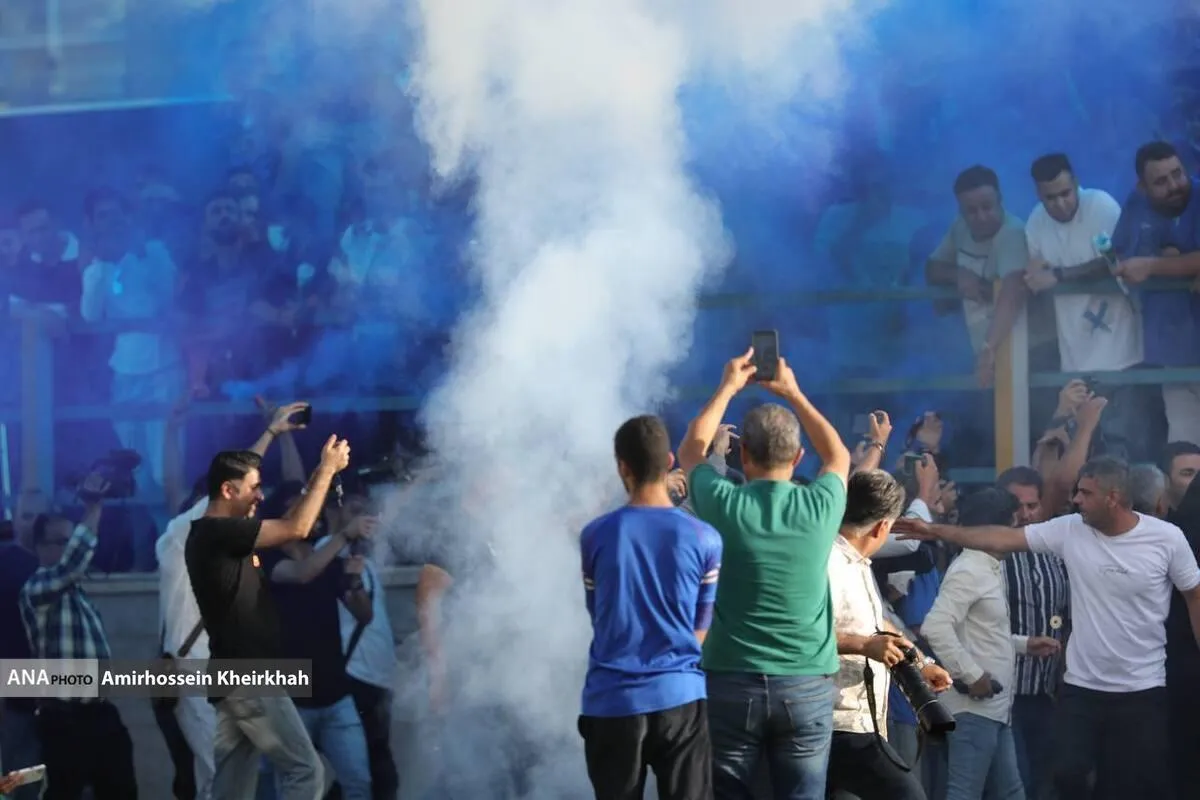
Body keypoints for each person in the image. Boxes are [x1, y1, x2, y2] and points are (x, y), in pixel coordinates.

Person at [894, 456, 1200, 800]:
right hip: (1080, 689)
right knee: (1065, 775)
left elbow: (1194, 594)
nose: (1076, 500)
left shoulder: (1166, 538)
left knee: (1127, 784)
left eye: (1086, 493)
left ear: (1112, 497)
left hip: (1142, 689)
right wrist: (933, 529)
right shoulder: (1070, 529)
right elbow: (1001, 538)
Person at [678, 348, 852, 800]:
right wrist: (793, 392)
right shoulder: (820, 504)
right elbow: (837, 455)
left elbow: (691, 451)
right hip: (806, 682)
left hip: (730, 679)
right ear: (798, 457)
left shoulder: (723, 501)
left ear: (743, 455)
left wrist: (727, 387)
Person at [185, 436, 351, 800]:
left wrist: (314, 479)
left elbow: (290, 521)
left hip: (234, 675)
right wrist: (327, 470)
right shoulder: (217, 532)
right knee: (307, 771)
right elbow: (297, 529)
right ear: (228, 490)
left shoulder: (221, 534)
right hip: (249, 673)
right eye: (254, 488)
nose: (261, 496)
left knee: (231, 790)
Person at [578, 414, 723, 800]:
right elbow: (701, 625)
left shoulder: (595, 535)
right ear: (670, 461)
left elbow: (599, 615)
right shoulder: (705, 537)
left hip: (612, 700)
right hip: (680, 696)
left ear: (622, 467)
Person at [922, 488, 1061, 800]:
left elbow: (978, 633)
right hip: (972, 710)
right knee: (965, 793)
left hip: (995, 709)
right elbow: (936, 627)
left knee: (1010, 792)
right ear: (995, 530)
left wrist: (1024, 644)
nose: (1016, 536)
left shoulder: (987, 566)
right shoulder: (969, 569)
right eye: (1012, 527)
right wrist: (972, 676)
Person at [826, 469, 952, 800]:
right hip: (837, 721)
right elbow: (804, 632)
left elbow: (877, 623)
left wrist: (921, 663)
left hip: (860, 720)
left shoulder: (857, 563)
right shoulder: (828, 563)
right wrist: (864, 645)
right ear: (883, 526)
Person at [20, 480, 138, 800]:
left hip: (99, 713)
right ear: (40, 547)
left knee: (122, 791)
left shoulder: (78, 596)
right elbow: (74, 563)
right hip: (64, 716)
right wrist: (94, 507)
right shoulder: (37, 588)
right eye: (63, 541)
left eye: (71, 540)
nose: (71, 547)